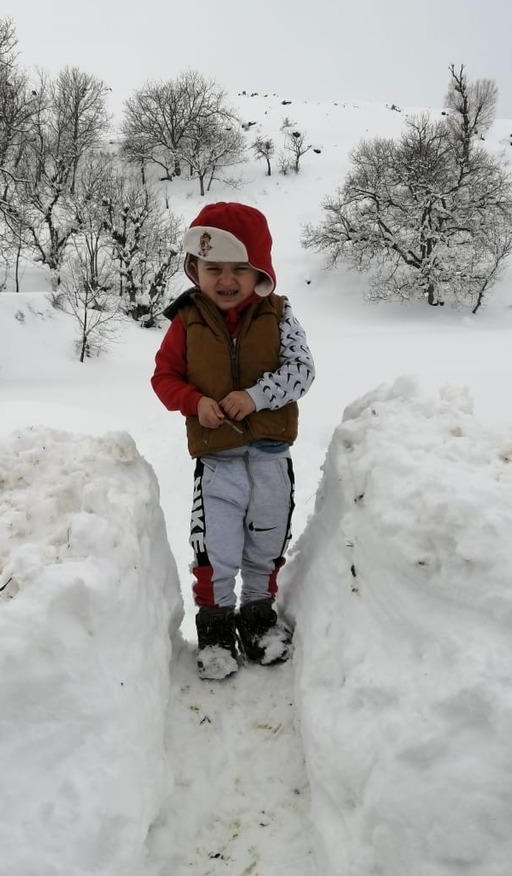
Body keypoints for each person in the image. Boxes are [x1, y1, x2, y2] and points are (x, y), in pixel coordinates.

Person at [151, 201, 315, 679]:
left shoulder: (279, 314)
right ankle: (217, 627)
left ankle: (259, 616)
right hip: (217, 460)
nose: (226, 280)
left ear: (260, 270)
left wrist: (258, 395)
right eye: (214, 268)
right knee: (216, 546)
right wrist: (195, 401)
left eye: (239, 269)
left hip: (270, 456)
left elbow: (302, 371)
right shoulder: (186, 319)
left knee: (266, 539)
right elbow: (164, 378)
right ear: (194, 269)